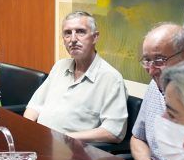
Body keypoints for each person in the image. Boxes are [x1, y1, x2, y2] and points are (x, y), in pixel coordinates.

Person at [24, 11, 127, 143]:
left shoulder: (111, 79)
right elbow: (34, 106)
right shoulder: (59, 66)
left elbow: (113, 132)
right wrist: (26, 132)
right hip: (40, 142)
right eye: (68, 33)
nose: (73, 39)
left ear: (95, 37)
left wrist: (64, 138)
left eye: (80, 32)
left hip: (73, 152)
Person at [130, 23, 184, 160]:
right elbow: (138, 138)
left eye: (159, 60)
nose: (151, 70)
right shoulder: (156, 85)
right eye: (147, 61)